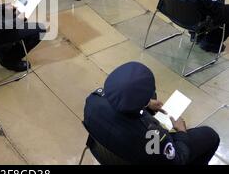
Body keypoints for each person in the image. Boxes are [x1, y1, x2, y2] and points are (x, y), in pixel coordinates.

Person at [84, 61, 220, 164]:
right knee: (211, 136)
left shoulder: (92, 101)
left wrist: (147, 104)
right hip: (135, 155)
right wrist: (181, 133)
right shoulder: (152, 135)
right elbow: (177, 159)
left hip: (103, 152)